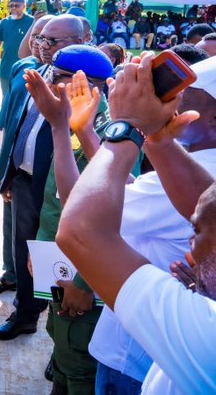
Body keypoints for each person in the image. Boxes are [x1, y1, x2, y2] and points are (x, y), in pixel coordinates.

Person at [57, 55, 216, 394]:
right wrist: (153, 138)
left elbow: (83, 223)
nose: (190, 247)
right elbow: (128, 189)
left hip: (130, 360)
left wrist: (126, 126)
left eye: (197, 231)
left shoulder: (206, 334)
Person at [0, 15, 85, 340]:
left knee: (56, 256)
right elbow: (16, 128)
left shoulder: (86, 86)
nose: (42, 46)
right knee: (24, 249)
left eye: (52, 41)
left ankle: (60, 325)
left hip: (60, 188)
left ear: (78, 41)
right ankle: (26, 314)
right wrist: (9, 175)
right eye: (40, 38)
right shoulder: (34, 73)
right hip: (24, 179)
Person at [24, 47, 113, 394]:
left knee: (79, 364)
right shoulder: (71, 123)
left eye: (57, 77)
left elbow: (109, 220)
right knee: (61, 350)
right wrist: (41, 249)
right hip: (60, 265)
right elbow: (55, 202)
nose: (48, 85)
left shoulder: (109, 136)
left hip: (83, 278)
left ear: (86, 85)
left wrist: (84, 284)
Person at [0, 0, 34, 131]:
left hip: (26, 66)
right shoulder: (5, 22)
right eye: (11, 5)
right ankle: (2, 123)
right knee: (5, 95)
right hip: (6, 66)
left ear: (24, 6)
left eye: (17, 5)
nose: (13, 8)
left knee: (23, 96)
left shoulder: (32, 21)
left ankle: (19, 124)